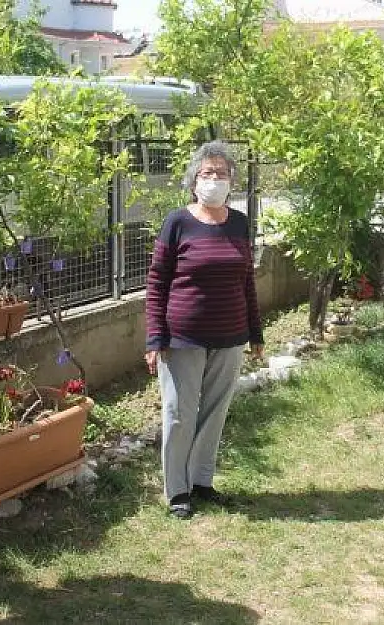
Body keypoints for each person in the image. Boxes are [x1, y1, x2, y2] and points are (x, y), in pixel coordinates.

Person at [144, 140, 264, 520]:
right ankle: (177, 489)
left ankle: (201, 481)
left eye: (222, 174)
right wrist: (154, 337)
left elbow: (247, 281)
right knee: (179, 413)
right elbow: (156, 282)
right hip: (182, 338)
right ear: (194, 180)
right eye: (207, 173)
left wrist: (256, 333)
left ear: (232, 181)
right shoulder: (177, 222)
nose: (214, 180)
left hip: (230, 335)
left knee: (215, 411)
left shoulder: (240, 223)